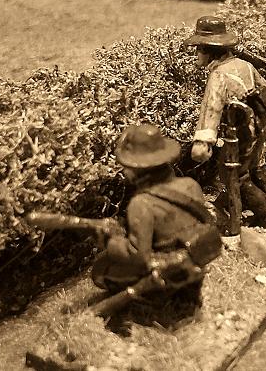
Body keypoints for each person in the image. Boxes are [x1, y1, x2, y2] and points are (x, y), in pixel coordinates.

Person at [91, 124, 222, 298]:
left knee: (101, 270)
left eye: (126, 165)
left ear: (135, 169)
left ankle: (155, 298)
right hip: (194, 260)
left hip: (166, 269)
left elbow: (138, 256)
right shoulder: (191, 185)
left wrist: (111, 240)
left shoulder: (141, 203)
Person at [186, 16, 266, 231]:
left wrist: (203, 143)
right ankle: (233, 204)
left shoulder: (218, 76)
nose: (196, 54)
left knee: (234, 175)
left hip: (240, 133)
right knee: (252, 167)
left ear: (209, 50)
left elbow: (211, 111)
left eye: (199, 49)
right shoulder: (245, 65)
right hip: (258, 126)